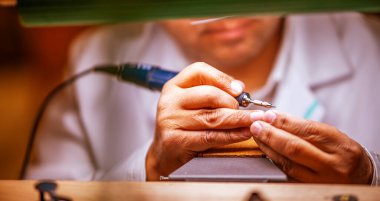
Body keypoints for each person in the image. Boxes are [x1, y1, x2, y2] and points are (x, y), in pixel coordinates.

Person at [26, 12, 380, 184]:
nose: (225, 12)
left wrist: (370, 177)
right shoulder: (95, 56)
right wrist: (148, 170)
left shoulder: (370, 44)